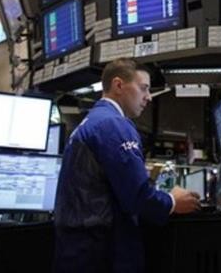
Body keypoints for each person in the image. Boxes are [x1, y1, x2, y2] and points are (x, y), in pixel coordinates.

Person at [54, 58, 200, 272]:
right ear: (118, 85)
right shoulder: (114, 125)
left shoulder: (92, 121)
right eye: (144, 88)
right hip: (101, 252)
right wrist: (172, 201)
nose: (148, 97)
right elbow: (137, 196)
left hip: (78, 250)